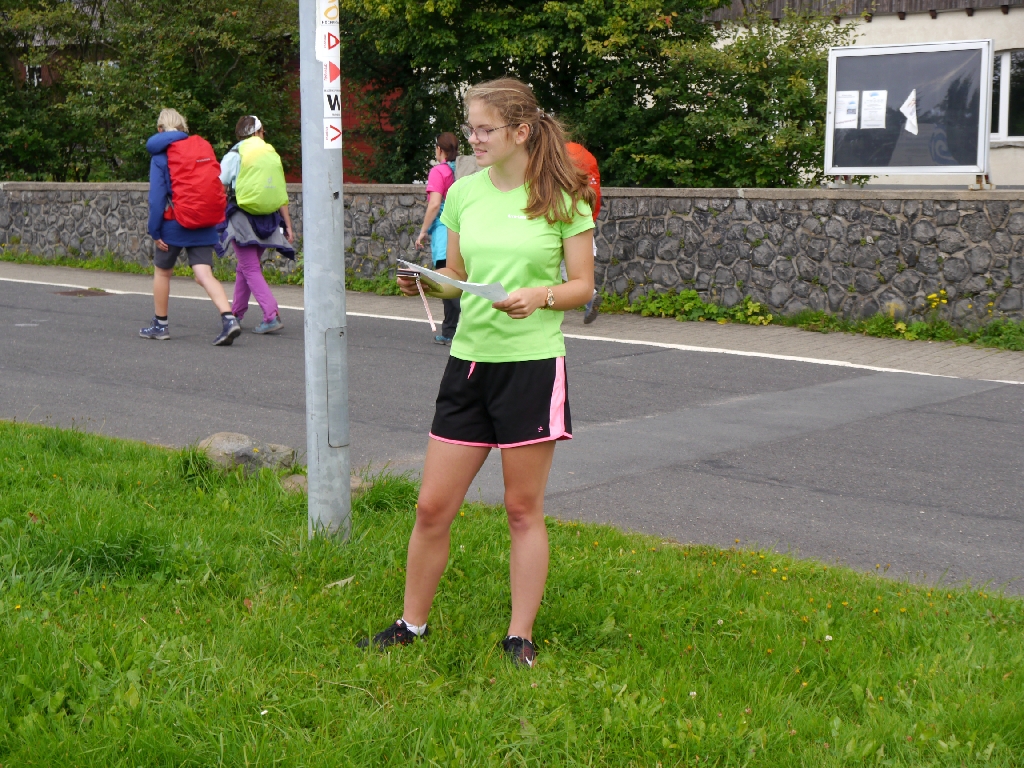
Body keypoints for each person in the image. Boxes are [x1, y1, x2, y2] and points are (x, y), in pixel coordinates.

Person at [359, 78, 596, 668]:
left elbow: (582, 286)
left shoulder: (564, 197)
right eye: (471, 128)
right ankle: (412, 625)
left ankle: (520, 636)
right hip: (467, 365)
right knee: (431, 507)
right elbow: (459, 277)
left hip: (531, 367)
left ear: (521, 131)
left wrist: (540, 295)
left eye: (485, 129)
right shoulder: (464, 193)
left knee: (522, 509)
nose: (474, 139)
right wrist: (427, 281)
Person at [139, 108, 241, 345]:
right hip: (204, 221)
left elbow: (157, 199)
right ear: (183, 126)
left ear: (160, 129)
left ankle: (160, 325)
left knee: (162, 272)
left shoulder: (160, 157)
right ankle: (229, 319)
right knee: (204, 274)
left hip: (175, 223)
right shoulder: (199, 148)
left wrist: (154, 230)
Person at [217, 115, 295, 334]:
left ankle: (271, 315)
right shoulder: (271, 155)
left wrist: (215, 218)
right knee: (245, 267)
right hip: (268, 217)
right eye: (263, 132)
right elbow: (281, 193)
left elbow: (219, 188)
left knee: (249, 267)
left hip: (242, 216)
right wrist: (288, 226)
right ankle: (236, 313)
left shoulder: (235, 155)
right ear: (258, 132)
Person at [415, 132, 460, 345]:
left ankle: (451, 333)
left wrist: (423, 231)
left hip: (445, 235)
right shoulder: (459, 171)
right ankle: (454, 330)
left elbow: (434, 204)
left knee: (448, 285)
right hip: (464, 234)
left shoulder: (438, 171)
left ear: (440, 149)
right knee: (461, 283)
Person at [565, 141, 603, 324]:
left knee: (561, 269)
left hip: (564, 224)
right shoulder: (583, 155)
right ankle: (590, 296)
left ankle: (590, 296)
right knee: (579, 269)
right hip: (584, 223)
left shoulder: (558, 153)